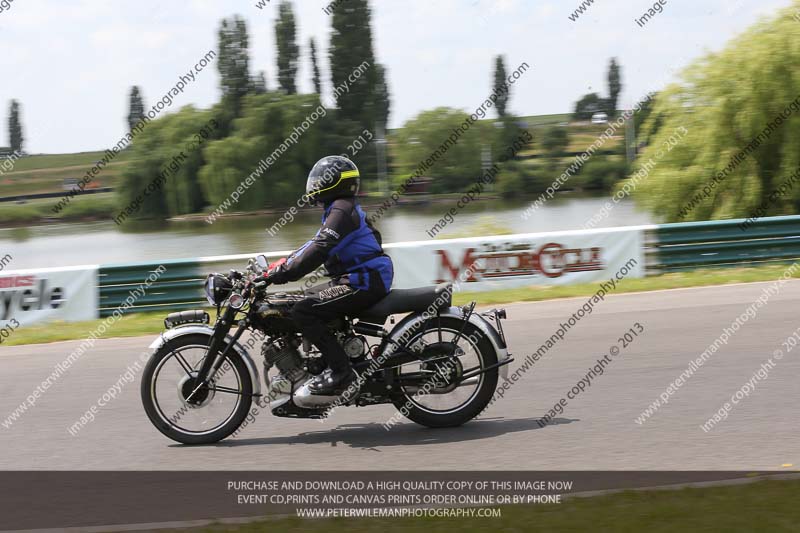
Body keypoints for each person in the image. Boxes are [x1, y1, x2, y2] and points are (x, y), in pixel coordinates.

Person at [262, 156, 394, 395]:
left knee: (304, 309)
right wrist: (281, 264)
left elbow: (321, 247)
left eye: (319, 180)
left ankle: (342, 372)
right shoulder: (338, 209)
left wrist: (286, 272)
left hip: (364, 280)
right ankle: (325, 360)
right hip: (356, 278)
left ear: (335, 183)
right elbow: (313, 243)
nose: (314, 185)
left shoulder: (342, 210)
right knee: (296, 301)